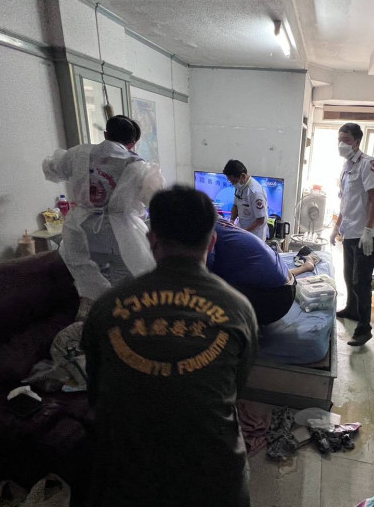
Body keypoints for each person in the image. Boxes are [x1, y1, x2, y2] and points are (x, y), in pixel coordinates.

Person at [81, 186, 258, 506]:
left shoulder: (105, 307)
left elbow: (95, 393)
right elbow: (235, 387)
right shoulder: (239, 309)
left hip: (126, 482)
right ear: (212, 242)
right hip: (216, 484)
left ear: (151, 240)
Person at [42, 116, 165, 318]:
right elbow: (158, 200)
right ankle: (123, 319)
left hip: (80, 230)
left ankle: (91, 317)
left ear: (106, 134)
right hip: (121, 234)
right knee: (127, 282)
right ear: (133, 143)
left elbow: (51, 169)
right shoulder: (138, 166)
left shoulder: (78, 153)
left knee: (87, 279)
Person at [329, 123, 374, 346]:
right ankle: (351, 309)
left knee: (361, 282)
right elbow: (345, 201)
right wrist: (336, 227)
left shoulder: (369, 164)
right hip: (350, 232)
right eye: (340, 140)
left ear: (357, 142)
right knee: (348, 276)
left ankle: (364, 328)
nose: (342, 144)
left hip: (364, 234)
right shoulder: (346, 166)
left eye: (347, 140)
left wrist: (369, 231)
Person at [208, 219, 319, 325]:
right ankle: (305, 267)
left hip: (274, 301)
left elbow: (207, 282)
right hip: (285, 284)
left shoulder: (205, 233)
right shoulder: (214, 220)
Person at [223, 159, 269, 241]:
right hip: (242, 230)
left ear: (243, 176)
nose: (233, 184)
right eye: (231, 182)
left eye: (234, 181)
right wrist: (232, 221)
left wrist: (244, 232)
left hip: (255, 235)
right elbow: (235, 205)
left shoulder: (256, 193)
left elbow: (261, 220)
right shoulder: (240, 187)